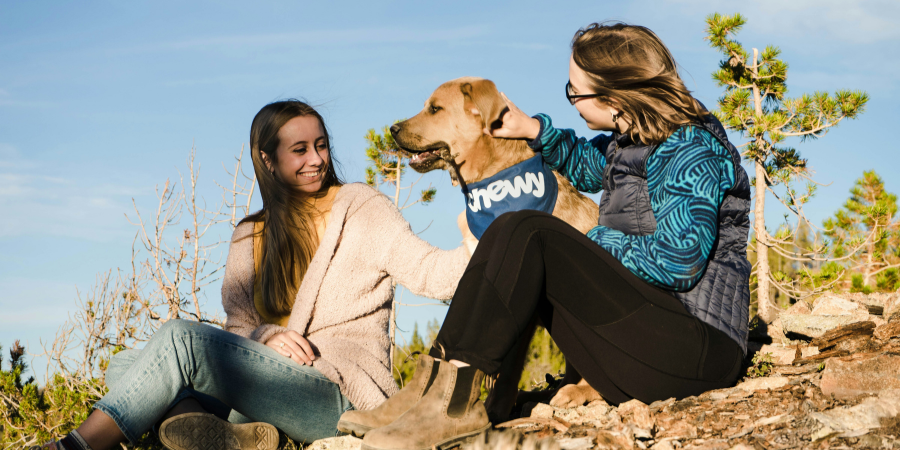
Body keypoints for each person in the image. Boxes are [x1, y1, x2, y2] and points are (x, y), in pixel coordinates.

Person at [343, 22, 752, 450]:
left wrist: (590, 241)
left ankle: (450, 406)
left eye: (575, 92)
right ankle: (435, 391)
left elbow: (678, 260)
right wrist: (533, 131)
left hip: (696, 352)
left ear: (614, 97)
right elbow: (584, 165)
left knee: (528, 229)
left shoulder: (691, 149)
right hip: (647, 340)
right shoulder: (630, 142)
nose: (571, 101)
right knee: (514, 227)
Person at [36, 100, 470, 450]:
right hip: (261, 393)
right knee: (125, 366)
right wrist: (266, 336)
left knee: (178, 341)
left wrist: (476, 239)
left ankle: (75, 447)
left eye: (321, 145)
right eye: (299, 150)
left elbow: (432, 274)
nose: (316, 160)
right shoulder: (250, 234)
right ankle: (231, 440)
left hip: (336, 391)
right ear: (267, 159)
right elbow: (240, 328)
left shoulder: (360, 207)